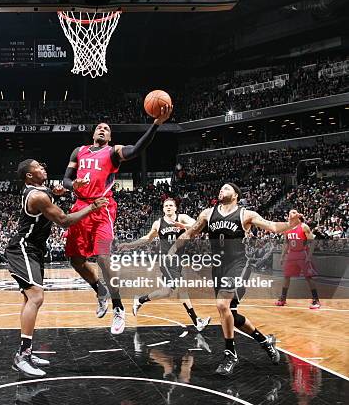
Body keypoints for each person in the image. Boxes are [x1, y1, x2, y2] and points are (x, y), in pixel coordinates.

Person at [62, 106, 173, 335]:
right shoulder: (78, 151)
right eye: (100, 127)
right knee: (75, 260)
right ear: (94, 133)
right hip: (80, 208)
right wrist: (74, 185)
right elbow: (65, 179)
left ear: (110, 137)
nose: (103, 129)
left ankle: (118, 307)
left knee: (103, 258)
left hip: (102, 208)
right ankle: (99, 290)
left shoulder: (113, 152)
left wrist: (156, 124)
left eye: (107, 129)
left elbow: (136, 150)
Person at [171, 183, 303, 375]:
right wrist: (173, 248)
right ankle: (265, 342)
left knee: (223, 305)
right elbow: (191, 233)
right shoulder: (208, 214)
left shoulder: (245, 214)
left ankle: (230, 354)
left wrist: (291, 224)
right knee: (231, 313)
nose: (221, 190)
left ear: (236, 195)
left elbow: (273, 227)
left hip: (240, 266)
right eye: (220, 189)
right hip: (218, 267)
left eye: (226, 188)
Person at [6, 159, 107, 377]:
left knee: (29, 299)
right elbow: (64, 220)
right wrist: (92, 206)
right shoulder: (37, 196)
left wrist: (58, 192)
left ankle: (27, 352)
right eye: (38, 167)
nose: (43, 167)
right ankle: (22, 355)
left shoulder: (41, 191)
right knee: (36, 298)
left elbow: (49, 195)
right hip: (23, 247)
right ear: (29, 176)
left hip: (34, 249)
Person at [117, 198, 210, 331]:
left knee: (166, 292)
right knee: (182, 289)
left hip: (178, 260)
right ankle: (197, 322)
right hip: (166, 260)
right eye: (166, 205)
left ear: (175, 208)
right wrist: (129, 245)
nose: (168, 207)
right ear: (163, 209)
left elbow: (198, 226)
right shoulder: (158, 223)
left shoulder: (182, 218)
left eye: (171, 205)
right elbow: (147, 238)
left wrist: (183, 226)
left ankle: (140, 300)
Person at [275, 211, 320, 309]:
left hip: (302, 253)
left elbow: (312, 242)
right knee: (286, 276)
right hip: (291, 254)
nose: (290, 213)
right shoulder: (287, 228)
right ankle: (283, 298)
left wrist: (309, 256)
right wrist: (282, 256)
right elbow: (286, 243)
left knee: (308, 277)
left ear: (298, 216)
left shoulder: (304, 227)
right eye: (290, 212)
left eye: (293, 212)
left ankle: (316, 300)